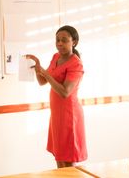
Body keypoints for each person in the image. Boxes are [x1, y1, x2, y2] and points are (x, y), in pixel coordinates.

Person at [26, 25, 87, 168]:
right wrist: (38, 68)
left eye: (64, 40)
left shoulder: (76, 64)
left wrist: (45, 73)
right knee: (59, 157)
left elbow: (65, 92)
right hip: (57, 114)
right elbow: (42, 82)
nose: (59, 43)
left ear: (74, 42)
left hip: (69, 115)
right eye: (57, 40)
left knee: (69, 160)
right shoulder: (56, 57)